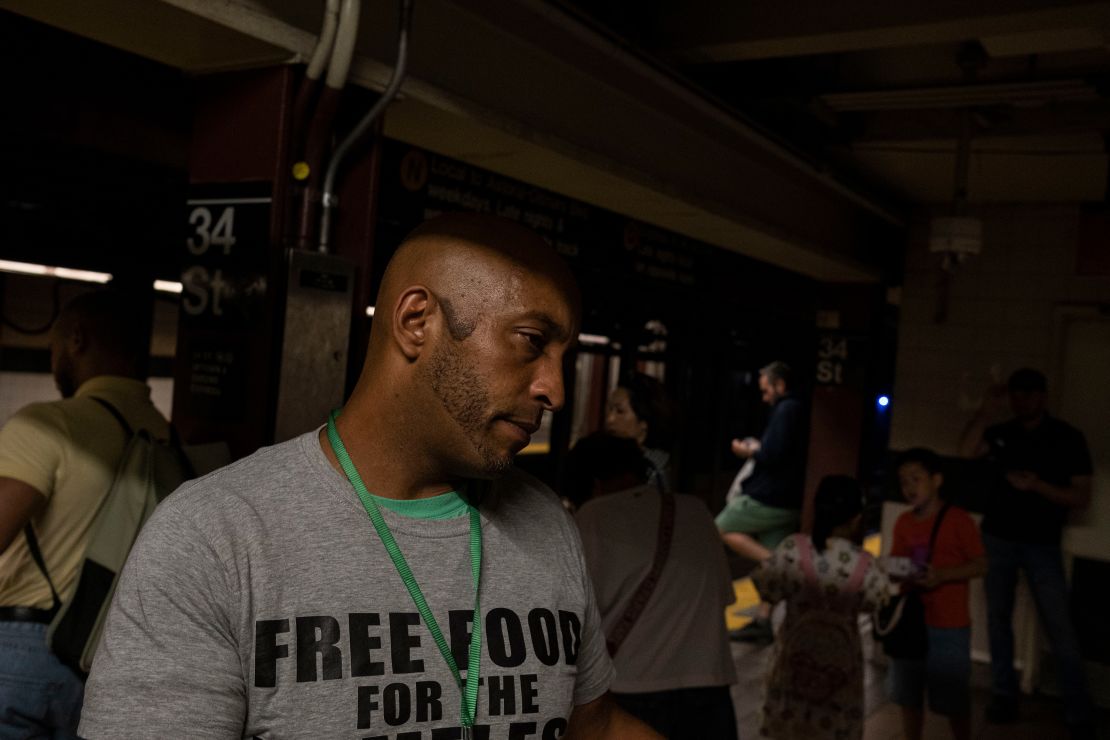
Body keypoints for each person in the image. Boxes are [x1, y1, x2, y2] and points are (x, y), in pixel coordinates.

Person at [78, 214, 660, 739]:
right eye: (531, 342)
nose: (554, 390)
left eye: (563, 357)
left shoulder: (545, 521)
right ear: (416, 321)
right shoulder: (215, 537)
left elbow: (594, 724)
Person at [0, 289, 170, 739]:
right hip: (117, 663)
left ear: (76, 339)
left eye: (54, 346)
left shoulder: (47, 424)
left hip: (25, 651)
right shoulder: (168, 439)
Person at [570, 432, 738, 740]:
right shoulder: (695, 510)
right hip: (709, 687)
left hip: (630, 691)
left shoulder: (592, 516)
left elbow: (574, 617)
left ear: (592, 481)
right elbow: (724, 596)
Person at [958, 368, 1095, 736]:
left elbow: (1080, 497)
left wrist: (1037, 486)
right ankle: (1004, 696)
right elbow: (966, 451)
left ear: (1043, 396)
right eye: (1018, 393)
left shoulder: (1067, 438)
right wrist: (987, 407)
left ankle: (1077, 709)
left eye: (1031, 392)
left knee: (1059, 625)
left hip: (1042, 543)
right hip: (998, 538)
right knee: (997, 620)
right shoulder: (1002, 433)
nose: (1023, 399)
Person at [752, 475, 890, 740]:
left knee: (787, 726)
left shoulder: (794, 549)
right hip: (840, 669)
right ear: (856, 517)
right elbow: (878, 601)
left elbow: (766, 587)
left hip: (793, 662)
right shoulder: (866, 564)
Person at [887, 448, 986, 740]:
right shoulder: (904, 522)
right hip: (912, 621)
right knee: (908, 695)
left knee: (953, 697)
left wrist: (941, 575)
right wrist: (899, 570)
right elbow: (895, 566)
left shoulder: (959, 520)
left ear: (937, 480)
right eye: (904, 481)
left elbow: (981, 564)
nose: (909, 487)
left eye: (916, 479)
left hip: (950, 623)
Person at [716, 360, 808, 643]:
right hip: (790, 498)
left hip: (771, 496)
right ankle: (763, 619)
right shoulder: (797, 409)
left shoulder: (786, 409)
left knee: (721, 527)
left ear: (780, 385)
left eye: (766, 389)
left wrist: (748, 451)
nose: (764, 396)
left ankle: (778, 564)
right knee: (767, 554)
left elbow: (773, 455)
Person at [604, 372, 674, 492]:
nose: (610, 419)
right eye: (610, 409)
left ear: (643, 421)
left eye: (620, 411)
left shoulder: (656, 467)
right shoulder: (606, 456)